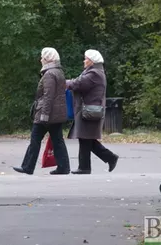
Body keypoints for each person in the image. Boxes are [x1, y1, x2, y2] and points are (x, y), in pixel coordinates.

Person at [14, 47, 71, 175]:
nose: (40, 59)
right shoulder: (59, 72)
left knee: (35, 139)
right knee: (58, 141)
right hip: (57, 114)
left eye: (42, 57)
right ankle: (64, 167)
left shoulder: (49, 74)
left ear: (47, 59)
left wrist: (44, 115)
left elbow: (48, 96)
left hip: (47, 114)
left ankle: (28, 166)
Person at [66, 49, 119, 175]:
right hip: (88, 110)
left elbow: (78, 83)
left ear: (92, 61)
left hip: (90, 111)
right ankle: (88, 166)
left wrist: (65, 82)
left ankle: (103, 160)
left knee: (86, 139)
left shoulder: (94, 73)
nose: (84, 61)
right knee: (86, 139)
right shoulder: (93, 72)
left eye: (86, 59)